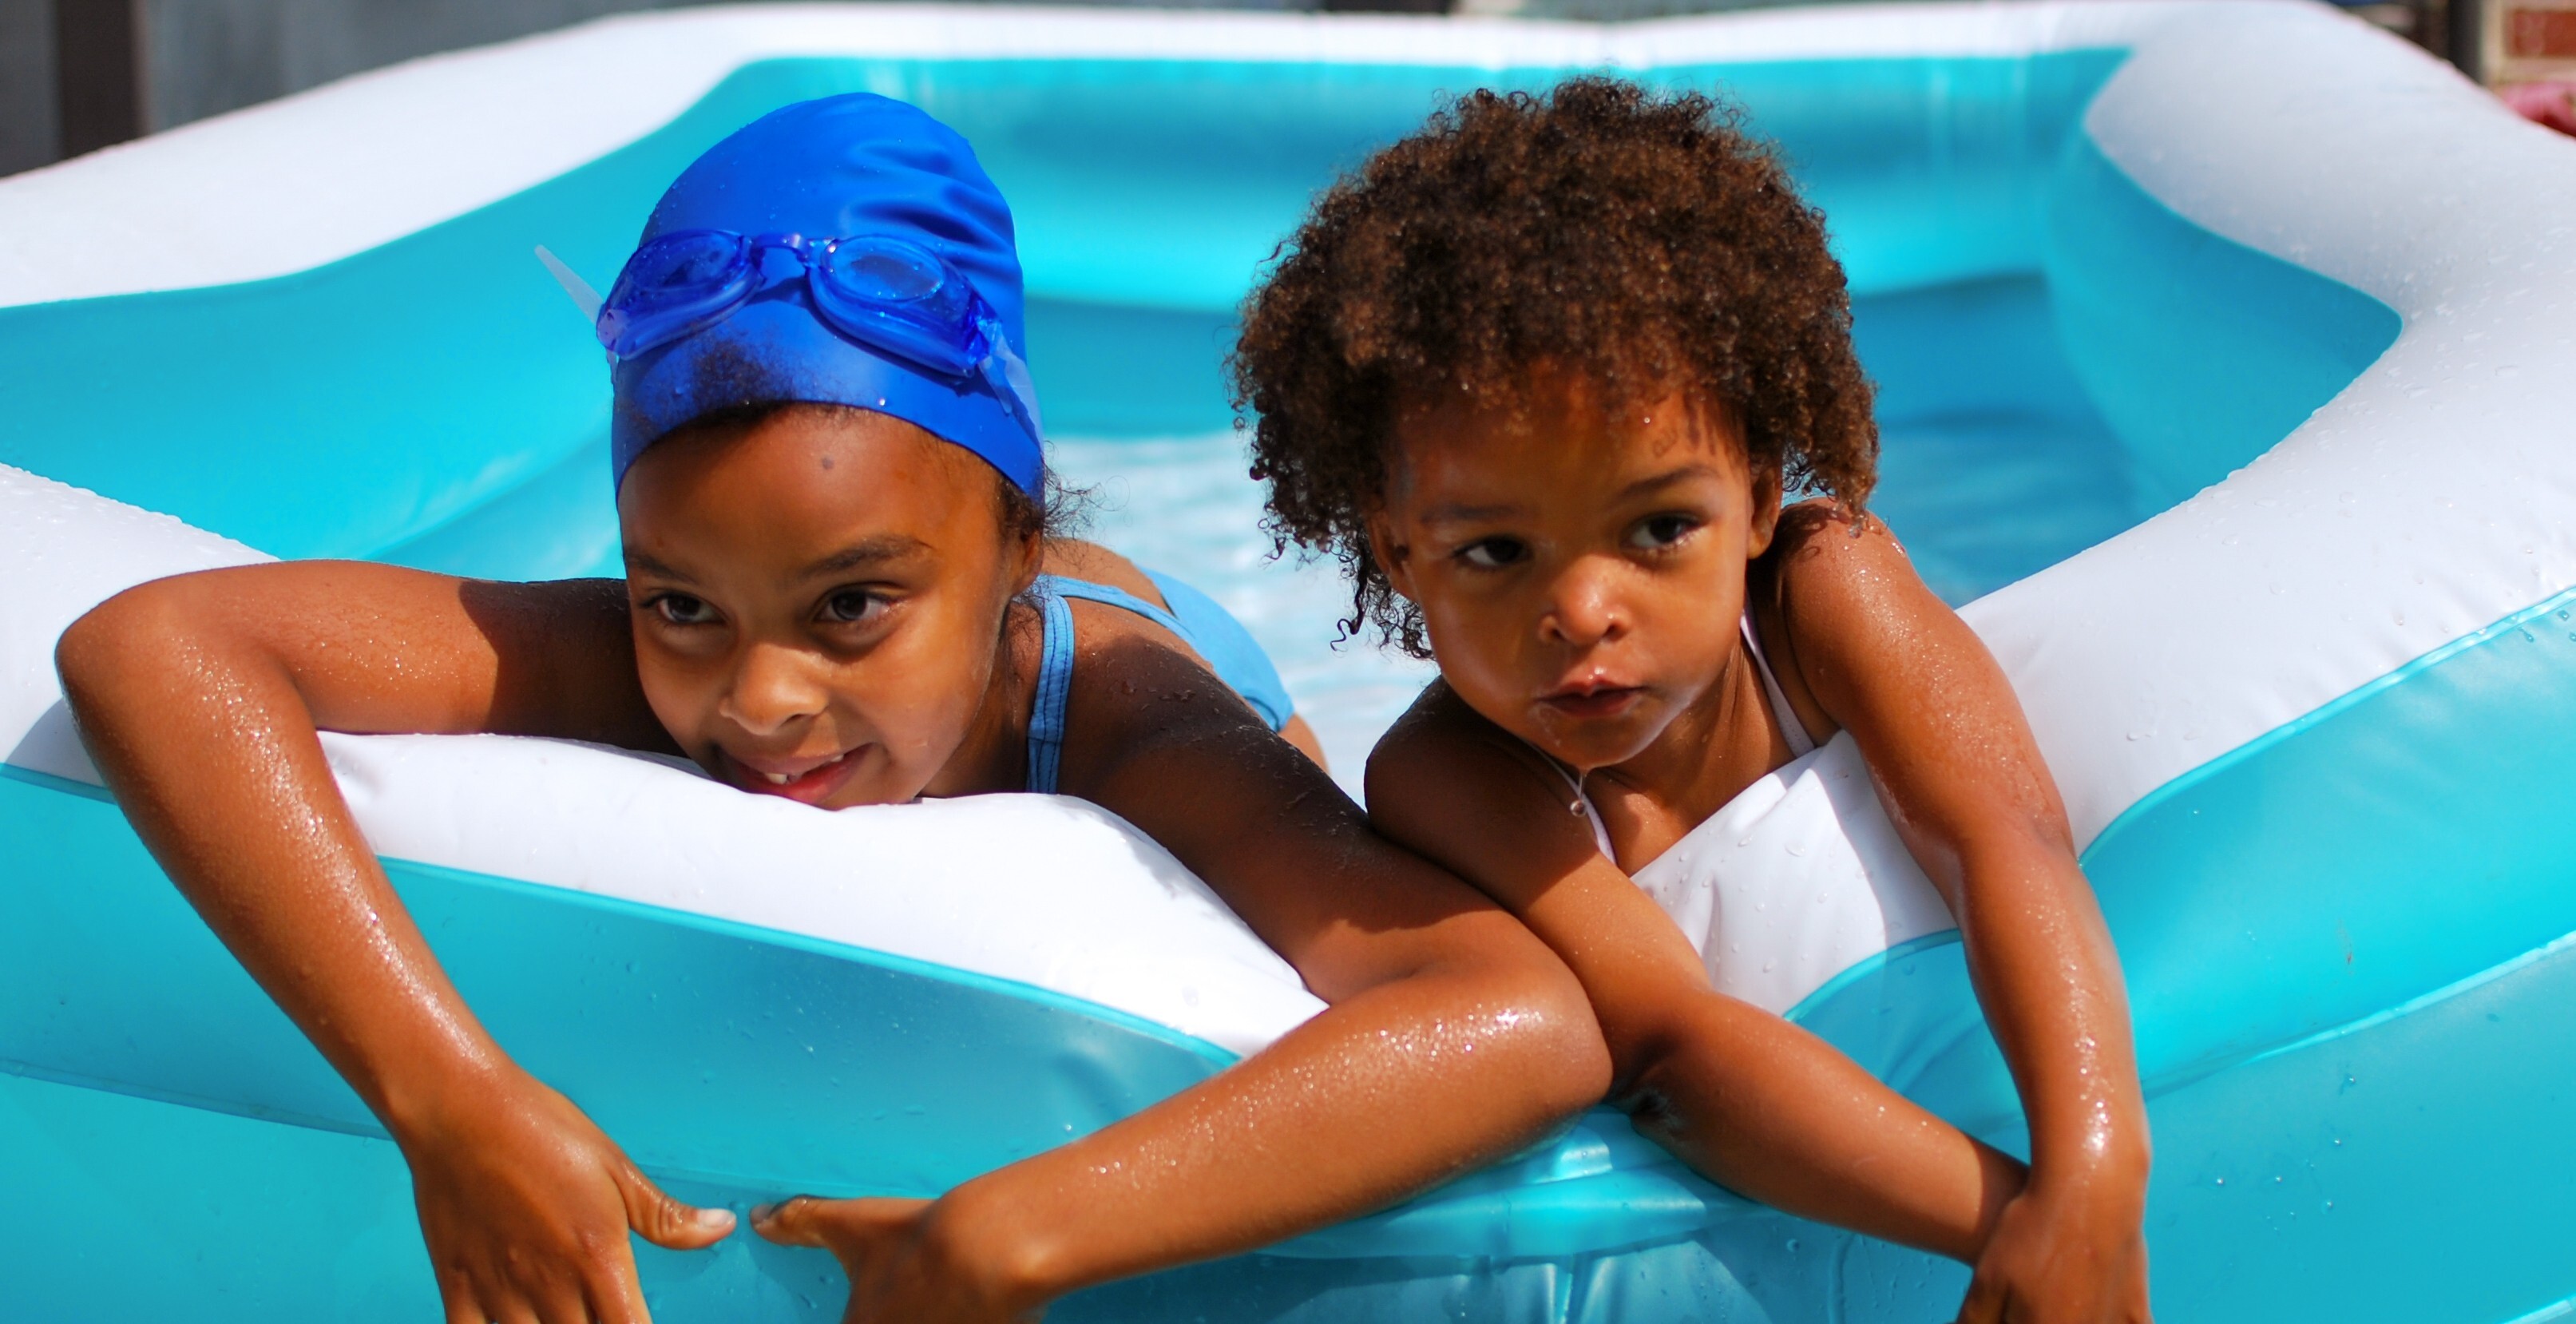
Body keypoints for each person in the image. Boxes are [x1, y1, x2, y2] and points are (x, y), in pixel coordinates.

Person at [54, 93, 1607, 1324]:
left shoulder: (1140, 728)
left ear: (1011, 559)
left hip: (1159, 638)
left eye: (851, 606)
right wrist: (447, 1094)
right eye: (678, 601)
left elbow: (1516, 1020)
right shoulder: (650, 651)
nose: (759, 698)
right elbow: (153, 648)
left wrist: (1014, 1228)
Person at [1232, 78, 2154, 1322]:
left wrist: (2095, 1168)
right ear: (1397, 553)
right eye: (1495, 553)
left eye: (1660, 527)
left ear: (1761, 502)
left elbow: (2002, 833)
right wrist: (2013, 1222)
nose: (1582, 609)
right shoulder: (1449, 777)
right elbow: (1670, 1050)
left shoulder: (1821, 591)